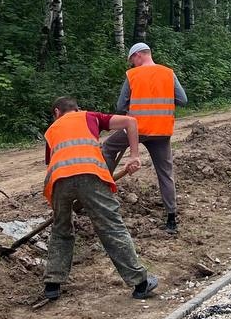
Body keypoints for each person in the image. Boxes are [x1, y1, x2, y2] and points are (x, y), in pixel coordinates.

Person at [42, 96, 159, 302]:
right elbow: (131, 121)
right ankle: (140, 284)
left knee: (61, 229)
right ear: (77, 109)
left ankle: (52, 285)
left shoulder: (51, 130)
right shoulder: (89, 116)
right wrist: (134, 155)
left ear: (57, 113)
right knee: (111, 227)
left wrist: (72, 193)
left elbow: (55, 162)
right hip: (91, 175)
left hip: (58, 181)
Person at [102, 42, 187, 233]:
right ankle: (171, 219)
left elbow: (120, 106)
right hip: (161, 132)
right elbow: (183, 100)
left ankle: (102, 189)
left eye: (132, 60)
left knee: (108, 148)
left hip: (136, 129)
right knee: (165, 173)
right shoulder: (168, 73)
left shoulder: (132, 75)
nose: (132, 64)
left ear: (138, 55)